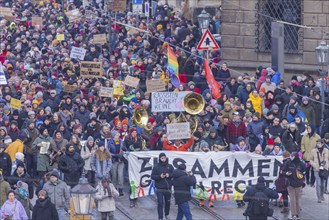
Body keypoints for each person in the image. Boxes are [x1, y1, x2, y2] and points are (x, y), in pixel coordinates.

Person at [282, 152, 306, 220]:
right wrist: (286, 173)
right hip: (290, 184)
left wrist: (301, 175)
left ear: (295, 157)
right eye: (291, 156)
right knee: (292, 199)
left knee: (297, 199)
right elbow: (282, 171)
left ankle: (297, 214)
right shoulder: (288, 163)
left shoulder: (301, 164)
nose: (291, 158)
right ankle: (293, 214)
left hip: (298, 184)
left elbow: (304, 173)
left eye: (292, 156)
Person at [151, 153, 174, 220]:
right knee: (160, 203)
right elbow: (152, 176)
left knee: (168, 202)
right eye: (162, 158)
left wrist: (169, 175)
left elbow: (173, 174)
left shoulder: (170, 166)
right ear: (160, 159)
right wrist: (159, 176)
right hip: (159, 188)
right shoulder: (156, 166)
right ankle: (160, 217)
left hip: (168, 188)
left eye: (164, 158)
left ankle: (167, 214)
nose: (163, 159)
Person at [310, 139, 329, 203]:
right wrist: (314, 165)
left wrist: (327, 165)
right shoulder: (313, 151)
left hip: (325, 169)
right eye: (317, 143)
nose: (318, 144)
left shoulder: (326, 151)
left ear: (322, 144)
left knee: (323, 184)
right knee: (318, 183)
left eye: (319, 143)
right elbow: (311, 160)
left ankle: (322, 195)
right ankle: (319, 198)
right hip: (316, 169)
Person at [108, 130, 126, 196]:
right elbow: (107, 151)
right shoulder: (110, 142)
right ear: (113, 136)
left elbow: (124, 149)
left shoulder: (121, 141)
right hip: (114, 160)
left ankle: (121, 189)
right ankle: (114, 188)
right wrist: (114, 155)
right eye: (116, 135)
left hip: (121, 160)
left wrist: (123, 150)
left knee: (120, 175)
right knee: (114, 175)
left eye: (118, 135)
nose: (118, 136)